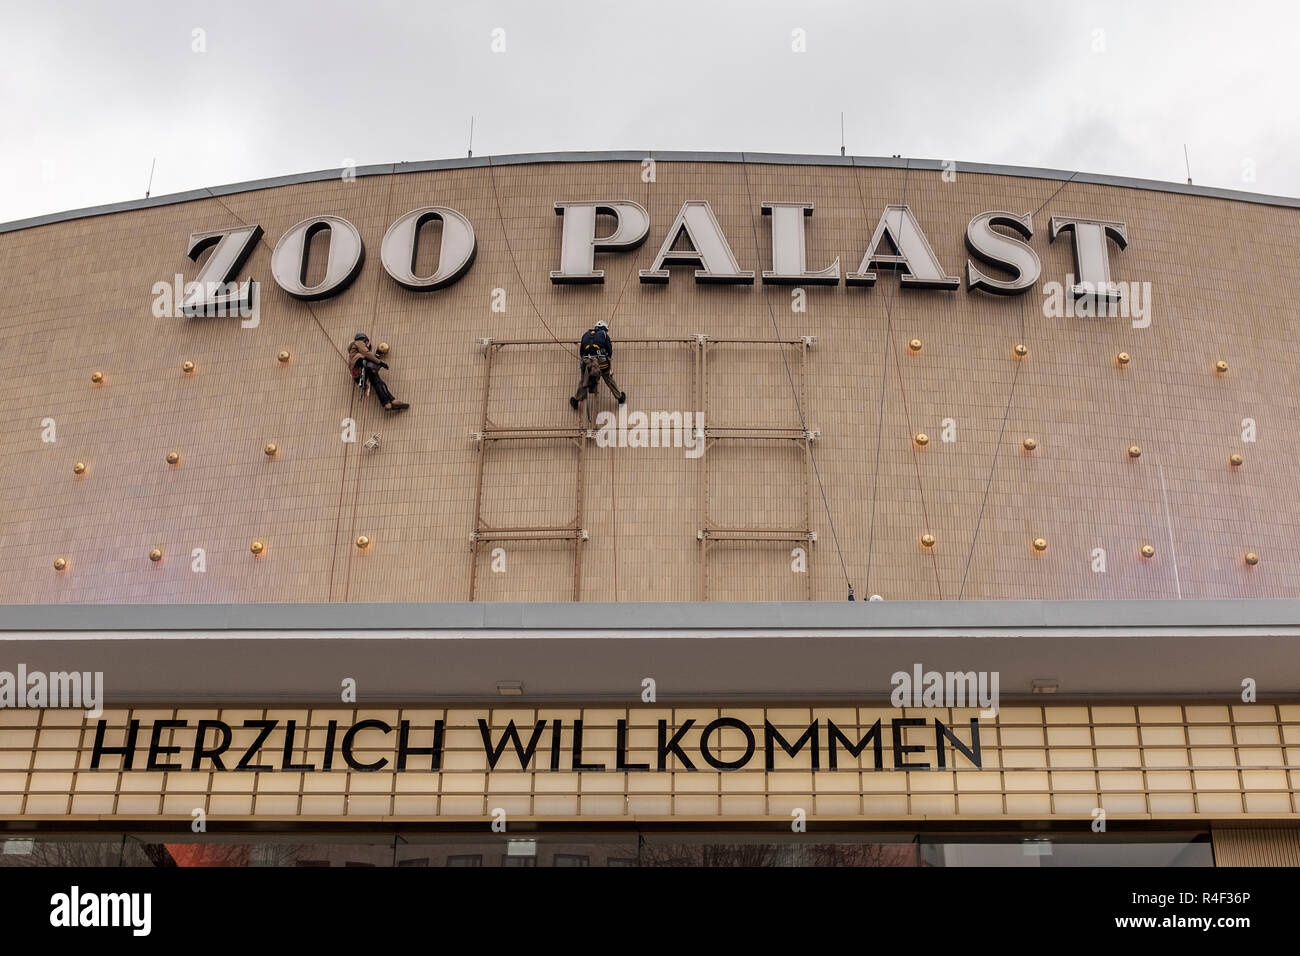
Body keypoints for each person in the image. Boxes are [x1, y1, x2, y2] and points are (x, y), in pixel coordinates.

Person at [570, 319, 626, 409]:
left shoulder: (585, 335)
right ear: (603, 328)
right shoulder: (604, 334)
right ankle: (619, 397)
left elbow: (581, 352)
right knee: (608, 377)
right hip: (601, 359)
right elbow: (609, 350)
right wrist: (607, 359)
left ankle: (576, 400)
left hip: (586, 360)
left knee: (584, 379)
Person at [347, 333, 409, 411]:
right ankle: (391, 401)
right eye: (366, 342)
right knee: (378, 382)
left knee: (378, 383)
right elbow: (366, 353)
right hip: (362, 366)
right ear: (364, 340)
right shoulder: (358, 343)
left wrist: (377, 355)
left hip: (360, 374)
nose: (366, 344)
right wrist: (380, 362)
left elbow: (368, 357)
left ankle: (388, 403)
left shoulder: (353, 355)